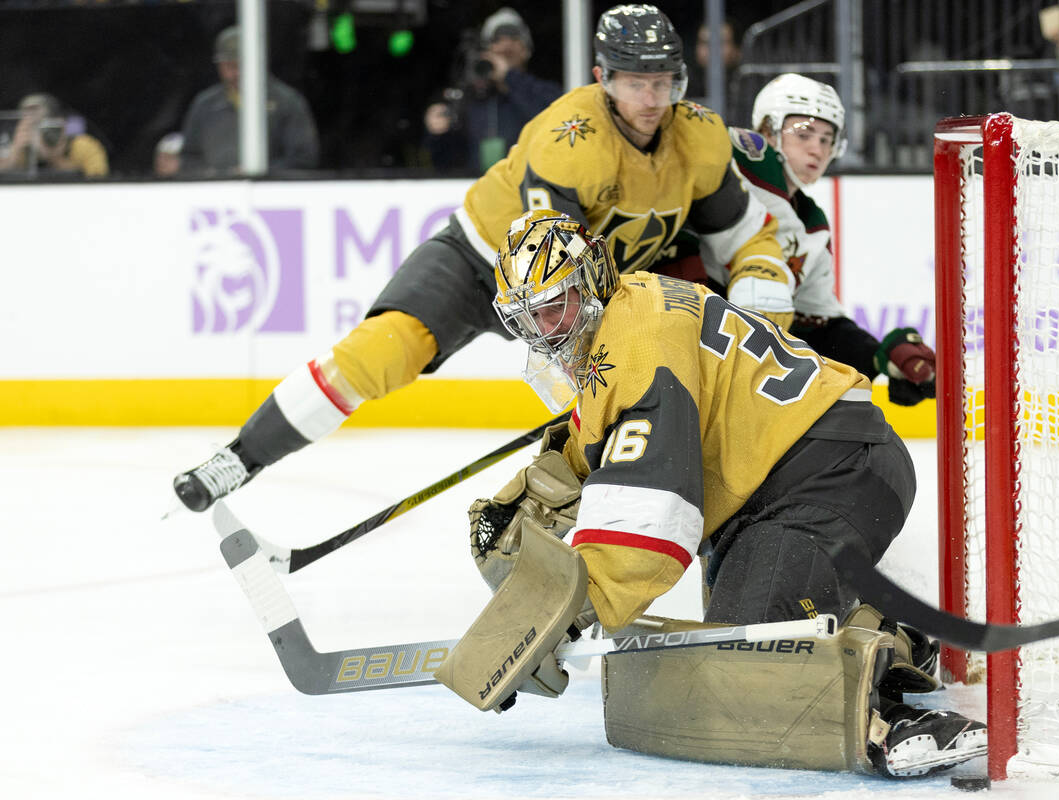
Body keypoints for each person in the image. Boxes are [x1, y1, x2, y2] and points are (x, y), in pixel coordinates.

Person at [172, 4, 790, 513]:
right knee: (384, 349)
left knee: (635, 401)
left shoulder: (700, 137)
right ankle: (240, 457)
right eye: (635, 82)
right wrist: (587, 373)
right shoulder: (566, 139)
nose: (651, 99)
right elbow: (550, 265)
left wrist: (762, 279)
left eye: (664, 83)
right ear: (602, 77)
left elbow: (741, 235)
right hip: (484, 261)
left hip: (588, 288)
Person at [440, 208, 986, 778]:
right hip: (795, 479)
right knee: (734, 645)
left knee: (745, 671)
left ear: (593, 278)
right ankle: (891, 642)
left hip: (830, 473)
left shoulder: (637, 343)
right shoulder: (631, 309)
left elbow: (649, 525)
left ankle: (896, 727)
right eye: (527, 318)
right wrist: (529, 491)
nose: (545, 330)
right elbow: (604, 439)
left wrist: (560, 617)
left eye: (555, 304)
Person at [675, 74, 936, 405]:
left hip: (737, 375)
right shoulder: (740, 164)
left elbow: (816, 326)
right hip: (680, 351)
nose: (817, 148)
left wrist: (878, 358)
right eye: (803, 133)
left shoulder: (813, 226)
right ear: (767, 131)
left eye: (827, 139)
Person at [420, 7, 561, 173]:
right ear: (485, 53)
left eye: (514, 38)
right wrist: (437, 134)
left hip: (528, 189)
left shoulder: (543, 92)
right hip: (478, 191)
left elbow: (554, 124)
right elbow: (444, 162)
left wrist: (509, 76)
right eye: (497, 40)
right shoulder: (469, 98)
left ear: (526, 51)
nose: (505, 45)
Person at [179, 26, 319, 175]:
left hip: (271, 194)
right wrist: (213, 176)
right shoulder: (204, 105)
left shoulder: (287, 102)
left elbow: (304, 159)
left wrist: (260, 173)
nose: (236, 73)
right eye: (229, 66)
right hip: (217, 194)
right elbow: (188, 158)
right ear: (219, 66)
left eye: (241, 65)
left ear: (258, 61)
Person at [0, 93, 108, 178]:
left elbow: (98, 180)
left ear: (61, 123)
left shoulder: (82, 145)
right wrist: (15, 152)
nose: (38, 135)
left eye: (45, 127)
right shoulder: (21, 149)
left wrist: (52, 157)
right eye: (32, 129)